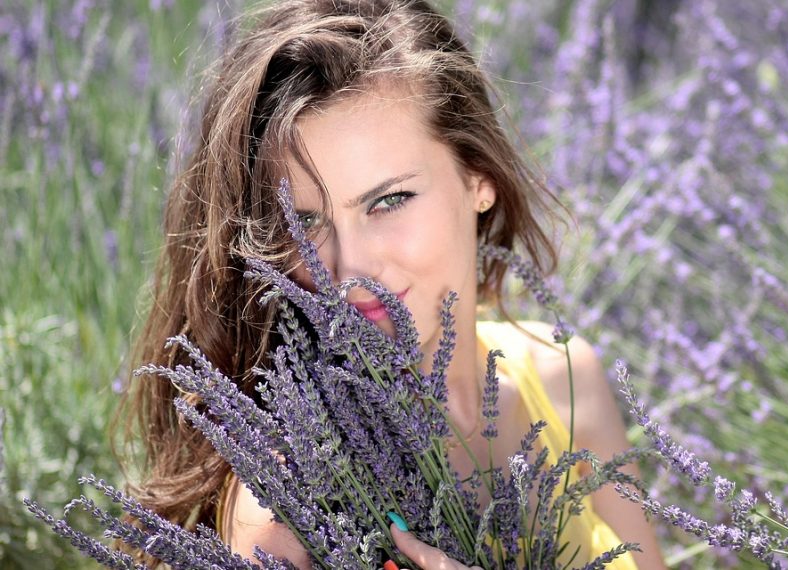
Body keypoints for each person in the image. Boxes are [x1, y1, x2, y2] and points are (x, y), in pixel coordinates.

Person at [117, 1, 666, 568]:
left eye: (389, 201)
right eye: (304, 222)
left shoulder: (563, 376)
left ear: (478, 178)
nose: (349, 269)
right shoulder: (289, 499)